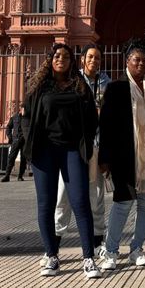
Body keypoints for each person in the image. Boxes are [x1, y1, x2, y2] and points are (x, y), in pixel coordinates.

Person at [22, 43, 102, 279]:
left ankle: (88, 258)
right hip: (44, 151)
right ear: (50, 59)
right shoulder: (39, 87)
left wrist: (84, 141)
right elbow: (25, 117)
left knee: (81, 202)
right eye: (57, 56)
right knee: (46, 205)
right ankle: (51, 255)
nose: (61, 59)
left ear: (71, 61)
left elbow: (92, 119)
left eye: (66, 56)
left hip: (72, 150)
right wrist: (30, 141)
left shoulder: (79, 86)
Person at [97, 42, 145, 270]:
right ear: (127, 61)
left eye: (144, 60)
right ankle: (111, 250)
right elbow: (105, 125)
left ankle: (137, 248)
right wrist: (105, 158)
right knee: (122, 203)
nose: (141, 64)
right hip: (125, 156)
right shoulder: (116, 88)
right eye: (136, 60)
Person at [54, 44, 110, 253]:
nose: (94, 61)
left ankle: (96, 245)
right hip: (72, 147)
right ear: (83, 59)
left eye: (97, 58)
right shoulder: (72, 81)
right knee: (63, 196)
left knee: (96, 197)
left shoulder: (106, 83)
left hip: (95, 146)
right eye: (90, 57)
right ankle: (53, 245)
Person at [1, 106, 29, 182]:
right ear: (20, 109)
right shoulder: (15, 117)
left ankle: (20, 176)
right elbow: (8, 127)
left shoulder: (27, 117)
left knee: (23, 159)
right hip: (16, 140)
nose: (25, 111)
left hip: (24, 141)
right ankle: (7, 175)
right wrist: (10, 137)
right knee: (11, 158)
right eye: (24, 109)